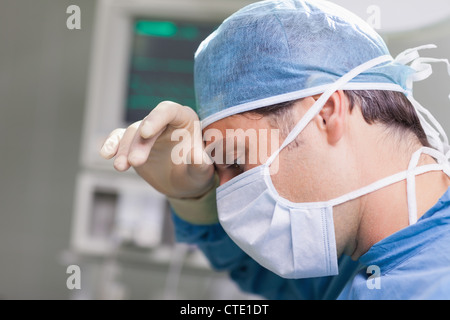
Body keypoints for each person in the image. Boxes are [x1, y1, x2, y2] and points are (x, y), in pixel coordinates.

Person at [100, 0, 450, 299]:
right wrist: (193, 199)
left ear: (326, 113)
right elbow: (269, 275)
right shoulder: (358, 263)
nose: (223, 191)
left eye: (235, 161)